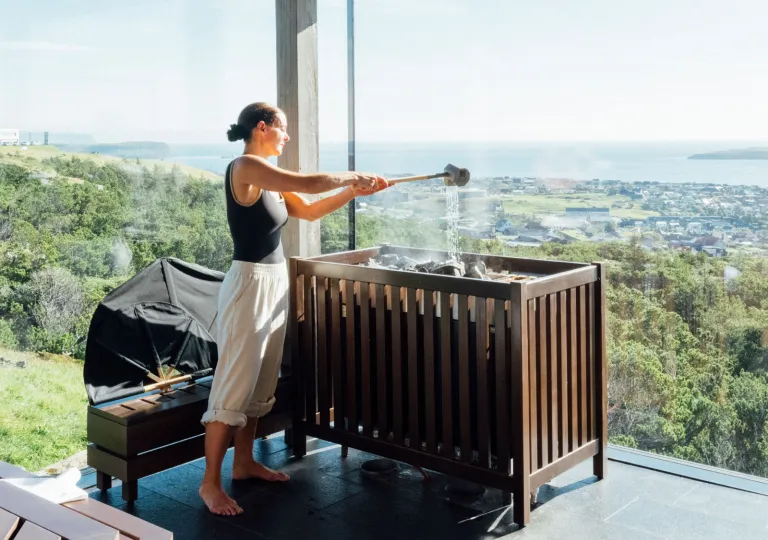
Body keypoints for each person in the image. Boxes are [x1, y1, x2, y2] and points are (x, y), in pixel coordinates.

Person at [198, 102, 388, 516]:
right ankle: (209, 483)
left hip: (273, 280)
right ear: (262, 127)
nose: (286, 136)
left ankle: (244, 463)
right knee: (234, 381)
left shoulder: (271, 180)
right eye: (282, 129)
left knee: (259, 380)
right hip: (248, 283)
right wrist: (352, 175)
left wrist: (353, 192)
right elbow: (310, 182)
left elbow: (311, 209)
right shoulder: (246, 167)